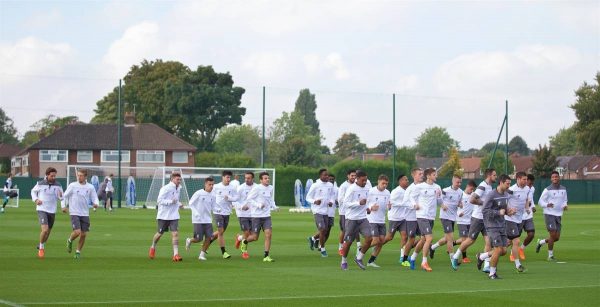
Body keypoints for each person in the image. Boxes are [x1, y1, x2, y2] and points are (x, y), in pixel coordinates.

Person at [451, 168, 496, 271]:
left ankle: (486, 265)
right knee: (470, 240)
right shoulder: (482, 186)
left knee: (488, 241)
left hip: (486, 219)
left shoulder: (489, 186)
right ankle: (455, 256)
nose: (496, 177)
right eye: (494, 175)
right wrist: (484, 203)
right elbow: (472, 199)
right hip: (477, 218)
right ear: (489, 176)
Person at [476, 174, 516, 279]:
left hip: (501, 225)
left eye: (509, 184)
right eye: (507, 184)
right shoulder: (491, 195)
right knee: (498, 249)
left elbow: (504, 209)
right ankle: (492, 273)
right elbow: (484, 210)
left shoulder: (506, 194)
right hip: (491, 225)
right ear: (501, 183)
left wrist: (509, 212)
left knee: (503, 251)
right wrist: (498, 212)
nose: (509, 186)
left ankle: (481, 256)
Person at [239, 172, 279, 262]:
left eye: (268, 178)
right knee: (254, 237)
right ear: (261, 180)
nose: (267, 179)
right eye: (265, 178)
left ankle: (266, 256)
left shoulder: (270, 188)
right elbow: (249, 199)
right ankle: (244, 241)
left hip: (267, 216)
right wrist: (258, 205)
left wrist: (275, 207)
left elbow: (271, 200)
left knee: (268, 234)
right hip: (256, 216)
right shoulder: (257, 188)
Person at [410, 168, 442, 272]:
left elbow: (439, 201)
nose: (435, 176)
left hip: (431, 216)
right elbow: (411, 197)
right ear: (428, 176)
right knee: (429, 239)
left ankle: (413, 257)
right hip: (422, 215)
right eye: (434, 174)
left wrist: (440, 198)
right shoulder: (420, 186)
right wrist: (415, 204)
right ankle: (424, 262)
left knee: (423, 239)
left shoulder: (437, 187)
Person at [62, 169, 100, 259]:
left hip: (85, 213)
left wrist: (96, 203)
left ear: (85, 177)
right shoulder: (72, 185)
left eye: (81, 175)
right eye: (78, 175)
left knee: (83, 234)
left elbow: (95, 197)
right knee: (77, 232)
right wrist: (63, 206)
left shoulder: (90, 187)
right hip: (74, 212)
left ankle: (78, 252)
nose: (79, 177)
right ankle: (70, 240)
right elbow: (64, 196)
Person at [339, 170, 372, 270]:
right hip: (351, 219)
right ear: (357, 179)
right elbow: (345, 203)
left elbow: (369, 200)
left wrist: (368, 207)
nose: (365, 182)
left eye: (366, 180)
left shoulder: (368, 187)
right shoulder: (351, 189)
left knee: (369, 238)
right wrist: (358, 203)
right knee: (348, 242)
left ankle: (359, 258)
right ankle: (343, 261)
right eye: (363, 180)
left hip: (363, 218)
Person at [148, 172, 184, 262]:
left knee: (175, 233)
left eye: (180, 179)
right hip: (163, 215)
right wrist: (171, 201)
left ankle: (175, 254)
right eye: (177, 179)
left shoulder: (179, 188)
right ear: (172, 179)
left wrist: (179, 204)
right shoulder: (166, 188)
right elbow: (159, 200)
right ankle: (153, 247)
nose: (179, 181)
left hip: (174, 215)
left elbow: (176, 200)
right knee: (159, 234)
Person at [30, 167, 63, 258]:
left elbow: (61, 197)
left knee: (48, 232)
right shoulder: (40, 184)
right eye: (52, 176)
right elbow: (33, 192)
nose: (53, 177)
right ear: (47, 175)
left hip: (52, 210)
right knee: (44, 230)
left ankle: (42, 244)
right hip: (42, 209)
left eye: (54, 176)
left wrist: (61, 197)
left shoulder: (58, 185)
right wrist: (36, 199)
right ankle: (41, 248)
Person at [536, 171, 568, 261]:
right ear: (551, 179)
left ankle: (541, 242)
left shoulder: (563, 189)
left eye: (556, 177)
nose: (555, 178)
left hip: (559, 214)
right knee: (553, 234)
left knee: (556, 238)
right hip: (549, 214)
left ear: (559, 178)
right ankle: (550, 256)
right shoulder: (547, 189)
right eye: (553, 177)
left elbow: (565, 200)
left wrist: (565, 205)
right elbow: (540, 202)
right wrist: (547, 205)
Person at [430, 175, 463, 264]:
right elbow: (437, 200)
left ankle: (432, 247)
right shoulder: (445, 191)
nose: (459, 184)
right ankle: (453, 259)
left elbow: (459, 202)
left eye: (460, 182)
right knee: (450, 239)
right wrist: (442, 205)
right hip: (445, 217)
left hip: (453, 217)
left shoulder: (460, 192)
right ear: (453, 181)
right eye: (457, 182)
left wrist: (460, 204)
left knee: (446, 238)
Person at [209, 170, 239, 259]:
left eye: (229, 177)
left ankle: (208, 240)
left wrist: (229, 198)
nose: (228, 179)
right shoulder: (216, 186)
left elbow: (236, 197)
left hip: (227, 212)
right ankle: (224, 252)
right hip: (217, 212)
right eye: (227, 177)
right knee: (221, 232)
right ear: (223, 177)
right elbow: (211, 197)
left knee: (220, 232)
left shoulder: (233, 187)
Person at [381, 174, 410, 264]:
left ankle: (402, 257)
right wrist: (404, 204)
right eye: (406, 180)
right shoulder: (396, 191)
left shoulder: (407, 190)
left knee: (405, 237)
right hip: (394, 217)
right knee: (389, 237)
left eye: (407, 179)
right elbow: (391, 202)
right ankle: (377, 245)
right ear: (400, 181)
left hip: (403, 218)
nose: (407, 181)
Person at [306, 169, 335, 257]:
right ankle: (322, 249)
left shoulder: (330, 185)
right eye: (325, 175)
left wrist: (331, 202)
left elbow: (332, 196)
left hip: (326, 211)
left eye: (327, 175)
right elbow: (308, 197)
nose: (327, 177)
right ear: (320, 176)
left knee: (325, 231)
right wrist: (315, 201)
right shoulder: (315, 185)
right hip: (317, 211)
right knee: (322, 229)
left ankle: (312, 238)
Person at [185, 177, 216, 261]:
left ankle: (201, 255)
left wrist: (218, 210)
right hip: (198, 219)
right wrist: (196, 213)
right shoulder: (199, 193)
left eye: (213, 184)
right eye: (210, 184)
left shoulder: (213, 195)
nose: (211, 186)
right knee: (198, 239)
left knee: (209, 238)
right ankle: (189, 240)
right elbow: (191, 203)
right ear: (205, 184)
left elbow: (213, 206)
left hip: (208, 220)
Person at [506, 171, 529, 273]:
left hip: (519, 219)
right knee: (516, 241)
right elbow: (504, 201)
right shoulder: (511, 190)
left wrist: (527, 208)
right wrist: (509, 211)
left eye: (526, 179)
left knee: (506, 244)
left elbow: (527, 199)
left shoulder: (527, 189)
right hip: (510, 219)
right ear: (518, 179)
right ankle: (518, 265)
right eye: (524, 179)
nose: (526, 181)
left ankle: (484, 256)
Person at [365, 175, 390, 268]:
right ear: (378, 182)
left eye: (386, 184)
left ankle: (371, 261)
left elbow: (387, 205)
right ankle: (361, 250)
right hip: (372, 219)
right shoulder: (371, 191)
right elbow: (365, 205)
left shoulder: (387, 193)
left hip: (381, 220)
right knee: (375, 241)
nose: (384, 185)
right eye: (383, 183)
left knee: (382, 241)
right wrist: (371, 208)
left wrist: (389, 207)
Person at [401, 168, 423, 269]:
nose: (421, 175)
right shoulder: (410, 189)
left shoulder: (423, 187)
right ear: (414, 176)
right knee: (411, 238)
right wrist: (413, 206)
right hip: (411, 218)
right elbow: (404, 203)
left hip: (422, 216)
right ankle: (404, 259)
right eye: (419, 174)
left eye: (422, 174)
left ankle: (413, 256)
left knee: (425, 238)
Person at [336, 169, 359, 256]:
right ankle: (341, 247)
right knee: (344, 230)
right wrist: (351, 201)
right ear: (348, 176)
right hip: (344, 212)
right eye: (352, 175)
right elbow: (340, 199)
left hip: (354, 211)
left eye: (355, 176)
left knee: (356, 229)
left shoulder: (357, 186)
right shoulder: (344, 186)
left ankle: (358, 245)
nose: (353, 177)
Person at [234, 172, 256, 259]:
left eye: (249, 178)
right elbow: (234, 200)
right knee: (247, 233)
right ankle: (244, 251)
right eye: (246, 178)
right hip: (242, 214)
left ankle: (239, 238)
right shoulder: (240, 188)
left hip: (254, 213)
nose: (247, 179)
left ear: (253, 179)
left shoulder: (256, 187)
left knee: (253, 236)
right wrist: (241, 207)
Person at [454, 180, 477, 263]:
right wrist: (459, 213)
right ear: (467, 186)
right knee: (465, 240)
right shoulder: (461, 195)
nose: (472, 191)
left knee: (470, 239)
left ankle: (453, 243)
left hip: (470, 221)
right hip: (461, 221)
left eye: (473, 189)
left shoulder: (473, 196)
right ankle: (464, 257)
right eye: (471, 189)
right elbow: (455, 205)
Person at [519, 174, 537, 257]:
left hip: (528, 215)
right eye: (530, 183)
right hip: (518, 216)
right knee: (513, 238)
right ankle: (494, 251)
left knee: (531, 234)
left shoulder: (532, 189)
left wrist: (533, 206)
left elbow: (531, 199)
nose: (531, 185)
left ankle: (521, 249)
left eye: (532, 184)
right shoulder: (516, 189)